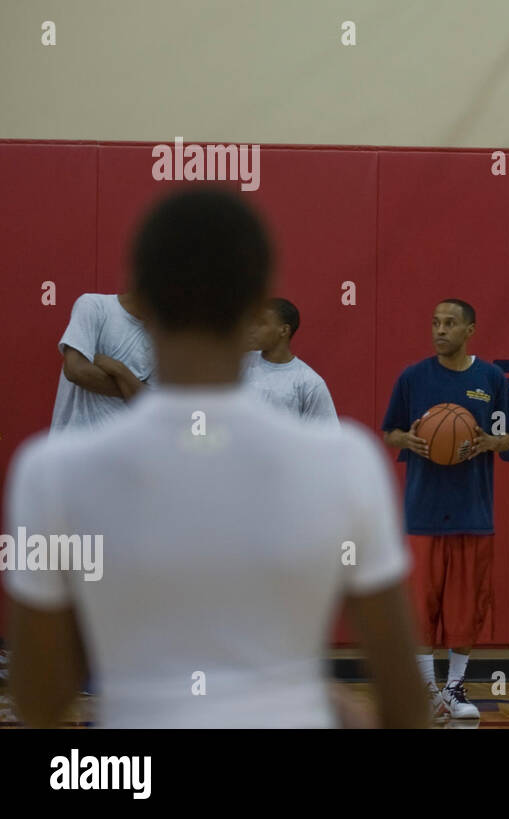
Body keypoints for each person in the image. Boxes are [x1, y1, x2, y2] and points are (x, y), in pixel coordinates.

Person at [5, 187, 425, 728]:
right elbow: (406, 704)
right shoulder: (350, 463)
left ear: (144, 305)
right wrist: (302, 698)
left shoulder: (50, 472)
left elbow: (39, 702)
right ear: (256, 303)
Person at [381, 299, 509, 720]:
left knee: (467, 606)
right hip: (423, 512)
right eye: (434, 323)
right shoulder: (413, 378)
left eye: (449, 324)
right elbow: (390, 431)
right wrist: (404, 440)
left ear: (470, 331)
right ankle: (427, 691)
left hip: (472, 511)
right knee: (420, 606)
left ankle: (455, 689)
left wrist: (490, 442)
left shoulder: (491, 378)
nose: (439, 330)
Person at [50, 290, 155, 431]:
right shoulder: (93, 306)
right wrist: (133, 387)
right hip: (74, 443)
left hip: (123, 449)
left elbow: (151, 404)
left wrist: (119, 370)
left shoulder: (162, 340)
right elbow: (75, 370)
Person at [243, 297, 338, 424]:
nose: (252, 328)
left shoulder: (310, 383)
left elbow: (327, 434)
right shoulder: (239, 365)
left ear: (284, 330)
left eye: (261, 323)